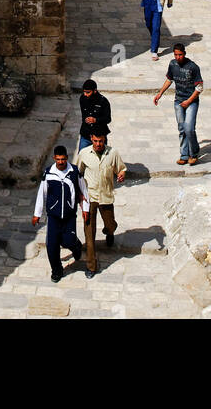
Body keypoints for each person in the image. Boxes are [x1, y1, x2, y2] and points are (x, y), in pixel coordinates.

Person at [32, 145, 89, 282]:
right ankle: (56, 270)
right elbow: (42, 194)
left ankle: (76, 246)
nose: (61, 162)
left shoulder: (75, 172)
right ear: (54, 159)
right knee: (52, 245)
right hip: (53, 216)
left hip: (69, 215)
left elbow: (84, 191)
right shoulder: (48, 173)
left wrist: (85, 209)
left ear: (67, 158)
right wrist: (37, 213)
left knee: (68, 240)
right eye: (58, 160)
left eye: (63, 159)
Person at [76, 130, 126, 278]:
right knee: (89, 234)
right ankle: (91, 266)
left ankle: (109, 232)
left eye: (101, 141)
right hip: (89, 197)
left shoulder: (113, 153)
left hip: (106, 196)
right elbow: (77, 173)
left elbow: (121, 168)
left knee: (110, 223)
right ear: (91, 139)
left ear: (105, 140)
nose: (98, 144)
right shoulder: (84, 154)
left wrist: (121, 174)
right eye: (96, 141)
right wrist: (79, 195)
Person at [153, 43, 203, 165]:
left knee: (189, 128)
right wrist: (160, 93)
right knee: (181, 128)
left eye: (180, 55)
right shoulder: (172, 64)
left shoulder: (193, 67)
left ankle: (194, 153)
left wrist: (189, 101)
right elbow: (169, 79)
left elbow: (199, 88)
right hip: (178, 101)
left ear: (184, 54)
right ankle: (184, 154)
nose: (178, 57)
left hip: (191, 101)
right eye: (176, 55)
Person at [78, 78, 111, 152]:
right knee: (82, 156)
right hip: (86, 135)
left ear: (95, 91)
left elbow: (108, 119)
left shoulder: (103, 102)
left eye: (88, 92)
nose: (85, 94)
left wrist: (96, 120)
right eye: (84, 92)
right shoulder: (83, 99)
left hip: (99, 137)